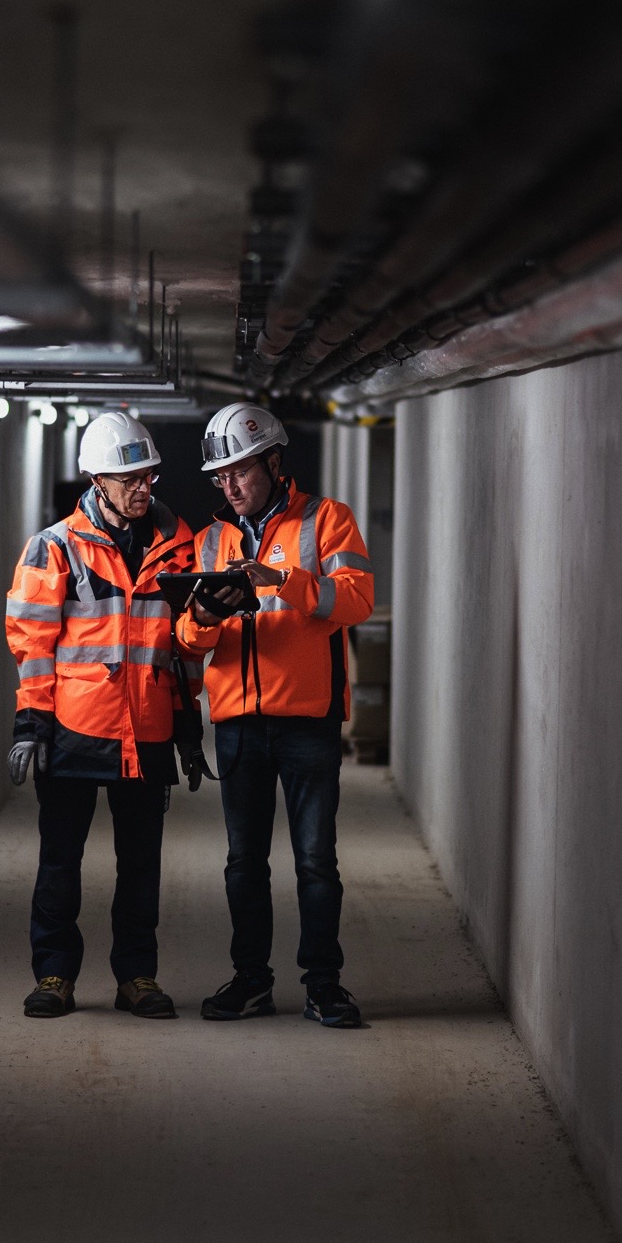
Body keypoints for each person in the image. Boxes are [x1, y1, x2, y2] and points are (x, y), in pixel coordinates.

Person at [175, 403, 374, 1028]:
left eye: (240, 471)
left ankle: (324, 985)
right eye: (221, 477)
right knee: (243, 862)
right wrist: (204, 619)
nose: (230, 487)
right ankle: (251, 980)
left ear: (273, 461)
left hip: (306, 721)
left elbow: (356, 601)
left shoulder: (327, 521)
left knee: (315, 860)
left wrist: (280, 578)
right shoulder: (210, 540)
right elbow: (186, 638)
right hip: (236, 721)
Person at [4, 410, 206, 1021]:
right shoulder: (55, 547)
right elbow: (31, 643)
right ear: (98, 482)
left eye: (148, 476)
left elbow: (182, 645)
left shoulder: (182, 544)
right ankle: (55, 974)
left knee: (141, 867)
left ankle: (136, 977)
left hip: (146, 732)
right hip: (73, 732)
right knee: (59, 863)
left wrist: (188, 724)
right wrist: (31, 723)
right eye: (130, 479)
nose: (144, 488)